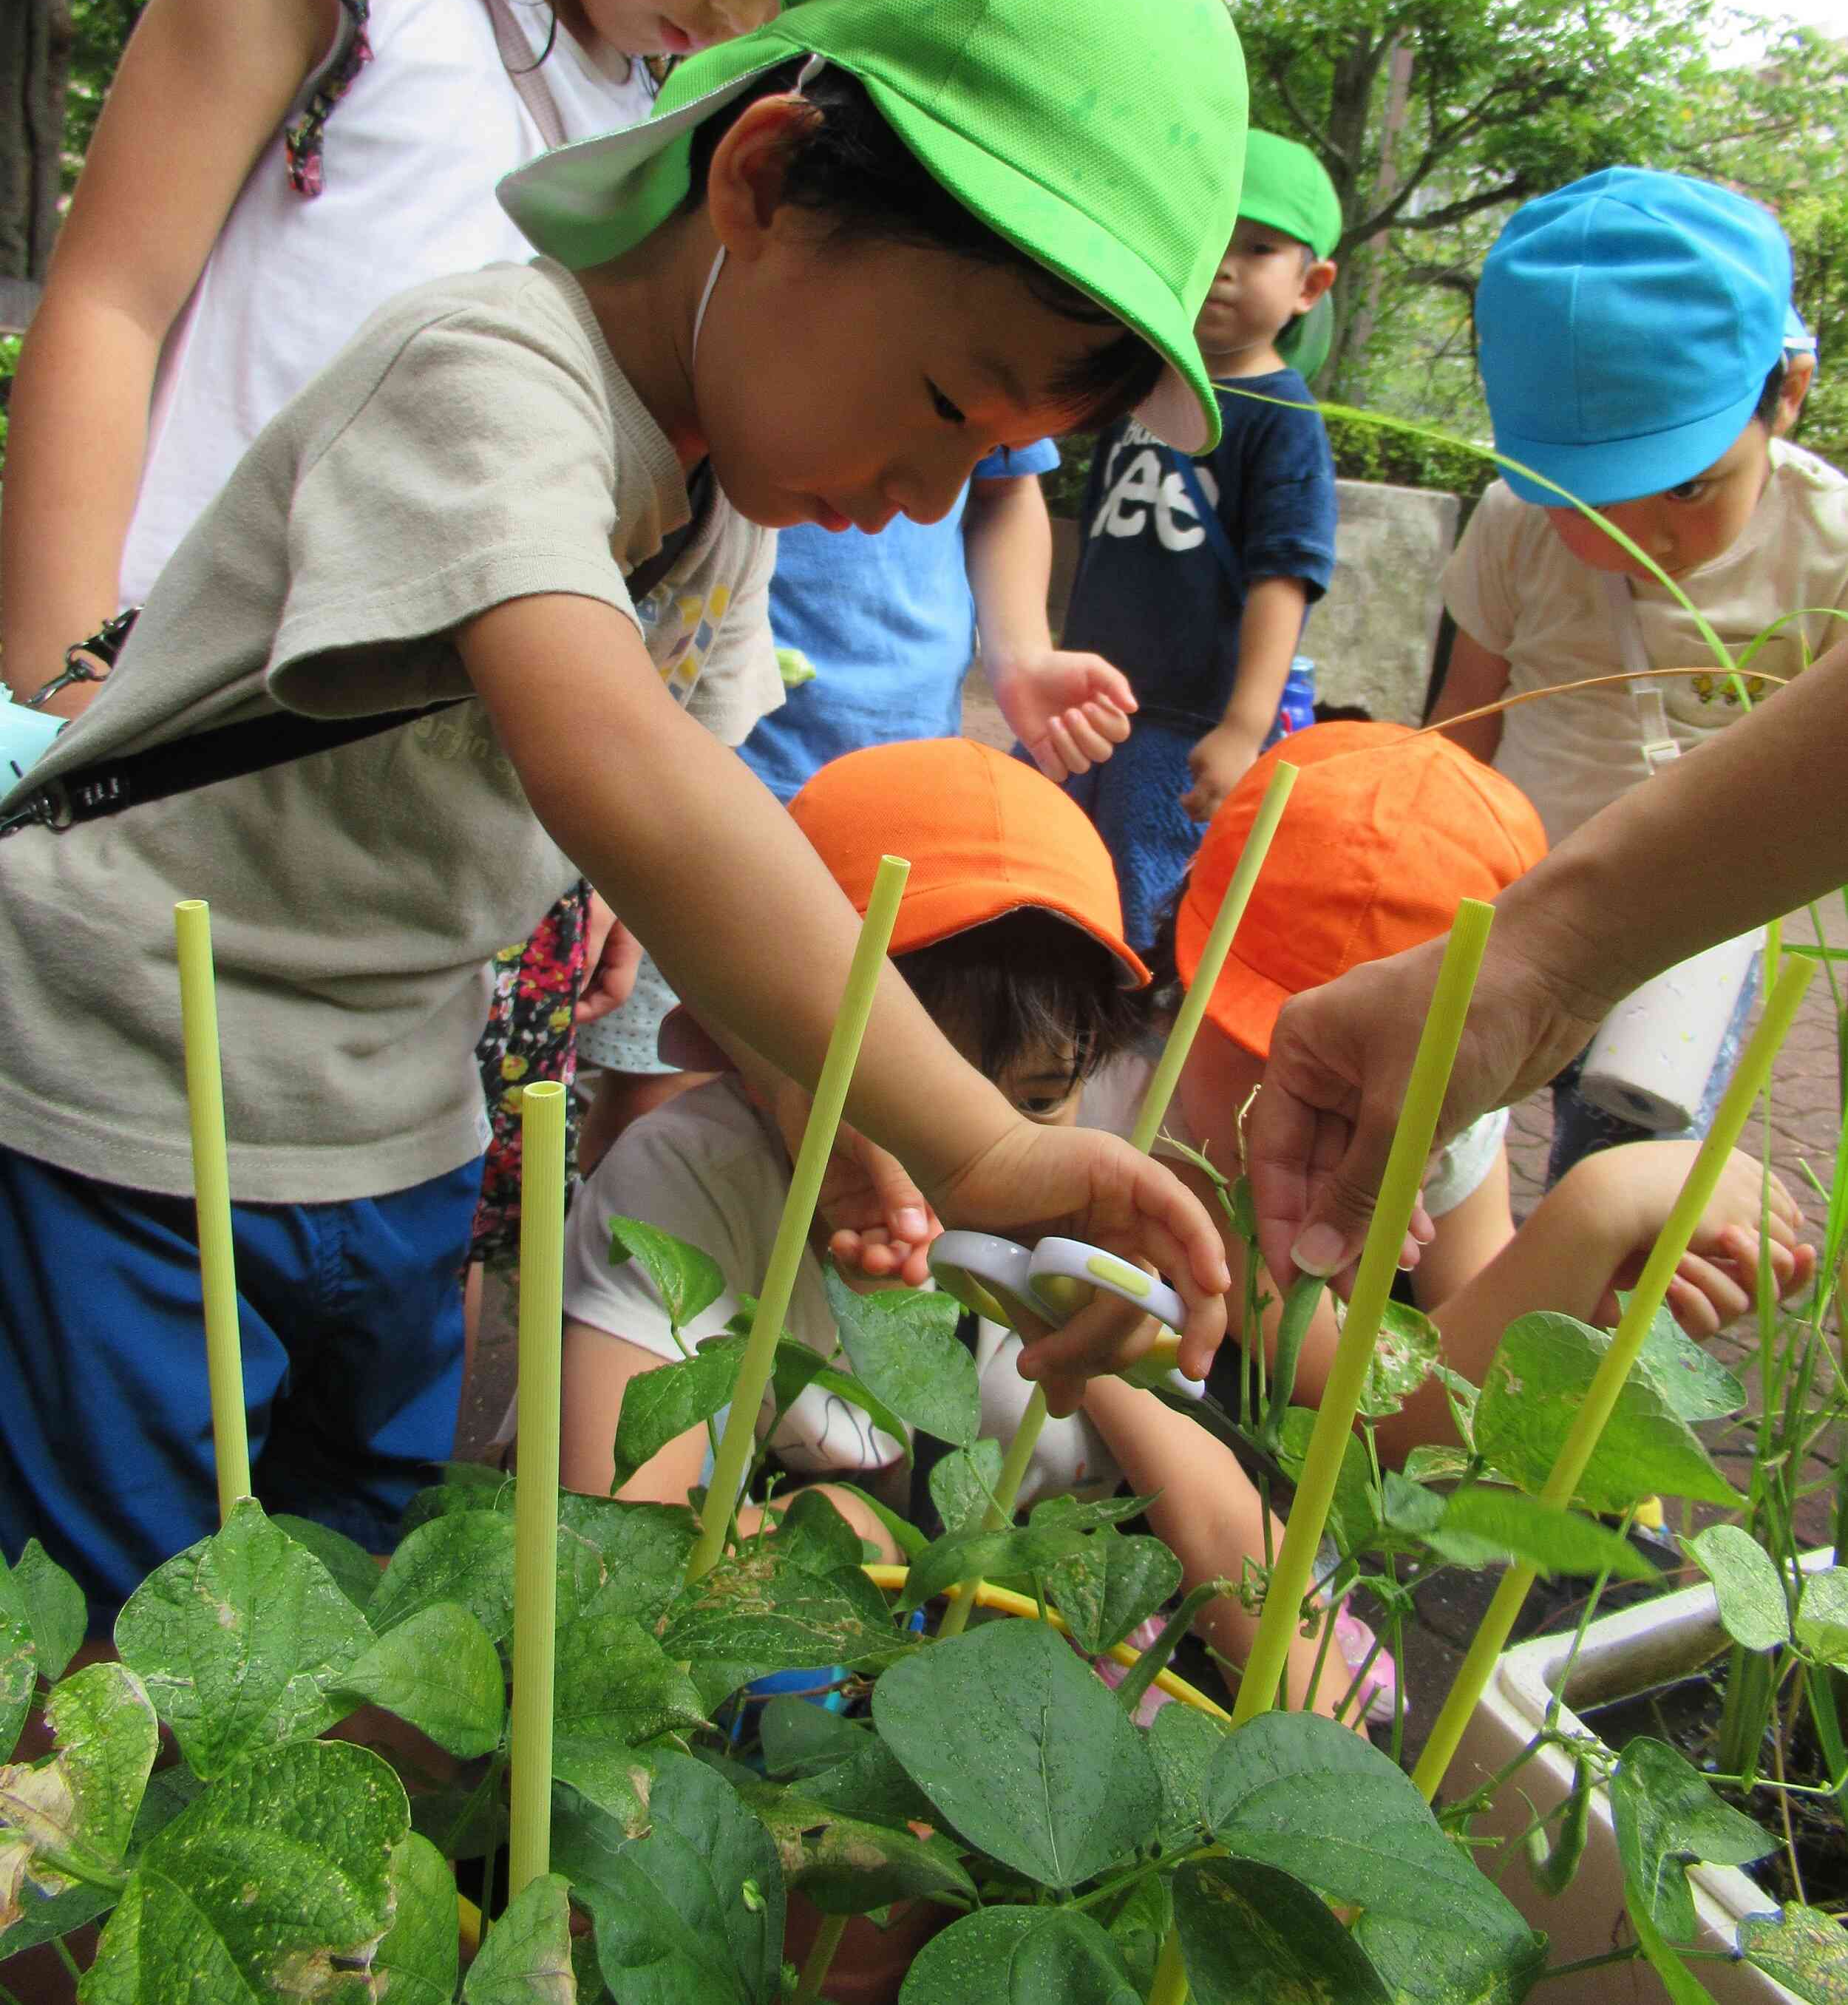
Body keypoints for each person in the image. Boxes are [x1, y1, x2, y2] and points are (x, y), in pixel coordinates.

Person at [0, 0, 1242, 1625]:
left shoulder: (719, 496)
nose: (920, 500)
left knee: (351, 1600)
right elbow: (619, 774)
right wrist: (974, 1136)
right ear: (764, 177)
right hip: (132, 1102)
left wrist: (836, 1117)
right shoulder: (484, 378)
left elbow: (696, 868)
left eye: (984, 467)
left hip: (390, 1120)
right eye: (942, 409)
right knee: (132, 1665)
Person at [0, 0, 1028, 1276]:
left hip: (441, 874)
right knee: (132, 1288)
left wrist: (616, 865)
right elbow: (112, 299)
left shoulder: (703, 137)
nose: (755, 4)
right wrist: (46, 683)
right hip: (166, 782)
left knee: (376, 1331)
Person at [558, 738, 1378, 1720]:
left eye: (1039, 1098)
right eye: (915, 1094)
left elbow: (1220, 1528)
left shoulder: (1071, 1199)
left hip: (1001, 1658)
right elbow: (609, 1575)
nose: (982, 1155)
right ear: (775, 1037)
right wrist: (845, 1530)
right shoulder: (697, 1186)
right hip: (760, 1691)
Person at [1080, 722, 1811, 1459]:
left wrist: (1583, 1300)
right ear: (1184, 954)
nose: (1296, 1100)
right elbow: (1368, 1410)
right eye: (1251, 1040)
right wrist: (1593, 1212)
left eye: (1372, 1071)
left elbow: (1471, 1324)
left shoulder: (1450, 1121)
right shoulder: (1160, 1132)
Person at [1429, 171, 1847, 1180]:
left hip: (1690, 935)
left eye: (1691, 485)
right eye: (1583, 494)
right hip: (1506, 900)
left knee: (1619, 1165)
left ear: (1785, 394)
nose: (1632, 538)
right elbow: (1461, 731)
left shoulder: (1826, 549)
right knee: (1429, 1139)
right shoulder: (1514, 525)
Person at [575, 443, 1138, 1170]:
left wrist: (1021, 652)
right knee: (667, 1078)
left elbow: (1004, 487)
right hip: (708, 790)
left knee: (898, 1097)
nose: (926, 494)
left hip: (914, 828)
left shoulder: (989, 364)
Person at [1248, 639, 1848, 1292]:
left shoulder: (1462, 1137)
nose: (1256, 1062)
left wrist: (1574, 1289)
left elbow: (1451, 1350)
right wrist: (1586, 1224)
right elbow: (1371, 1381)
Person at [1059, 128, 1339, 951]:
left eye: (1258, 249)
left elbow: (1283, 577)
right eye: (1210, 240)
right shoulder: (1139, 386)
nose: (1224, 266)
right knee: (1053, 871)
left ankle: (1125, 1057)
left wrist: (1243, 729)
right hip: (1088, 697)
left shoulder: (1283, 421)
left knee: (1142, 905)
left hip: (1185, 718)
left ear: (1309, 285)